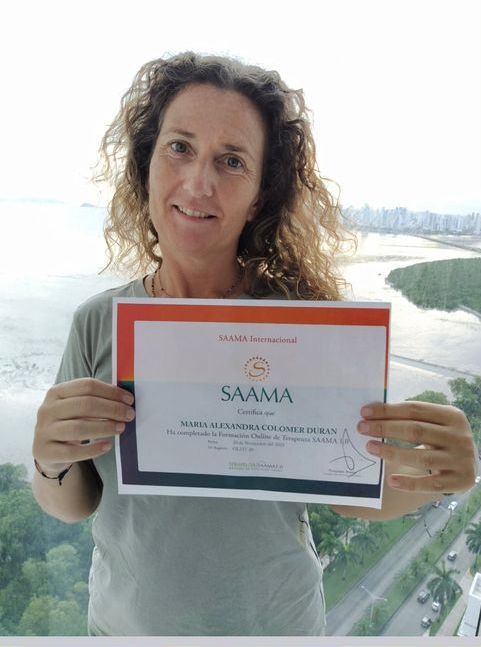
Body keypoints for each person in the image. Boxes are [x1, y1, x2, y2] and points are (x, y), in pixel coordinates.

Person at [32, 52, 477, 637]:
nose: (199, 183)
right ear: (146, 165)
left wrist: (441, 474)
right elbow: (73, 503)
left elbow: (349, 493)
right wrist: (50, 457)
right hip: (124, 631)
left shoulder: (307, 327)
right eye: (180, 147)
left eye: (232, 160)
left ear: (260, 197)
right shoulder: (97, 323)